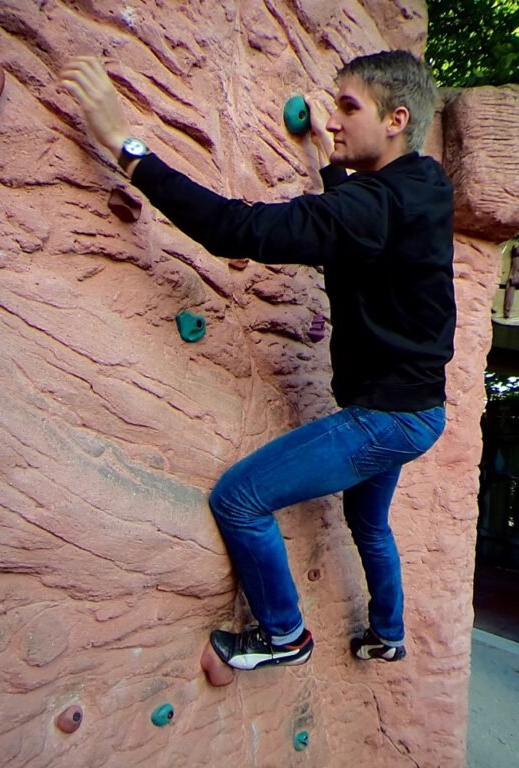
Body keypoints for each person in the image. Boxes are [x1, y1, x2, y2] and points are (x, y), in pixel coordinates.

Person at [60, 49, 456, 670]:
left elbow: (233, 229)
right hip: (420, 409)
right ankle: (388, 633)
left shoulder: (376, 207)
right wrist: (330, 162)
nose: (335, 119)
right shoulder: (424, 183)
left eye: (349, 107)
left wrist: (124, 143)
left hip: (387, 416)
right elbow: (365, 221)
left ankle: (283, 635)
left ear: (395, 119)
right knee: (368, 521)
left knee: (240, 499)